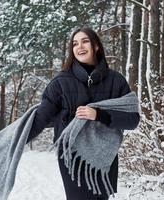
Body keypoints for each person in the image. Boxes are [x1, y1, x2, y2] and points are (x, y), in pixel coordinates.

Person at [27, 27, 140, 200]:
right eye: (75, 43)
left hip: (104, 156)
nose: (79, 46)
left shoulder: (116, 81)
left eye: (85, 41)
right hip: (73, 157)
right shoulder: (60, 83)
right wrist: (13, 142)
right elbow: (41, 118)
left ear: (96, 46)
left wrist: (99, 115)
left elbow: (132, 120)